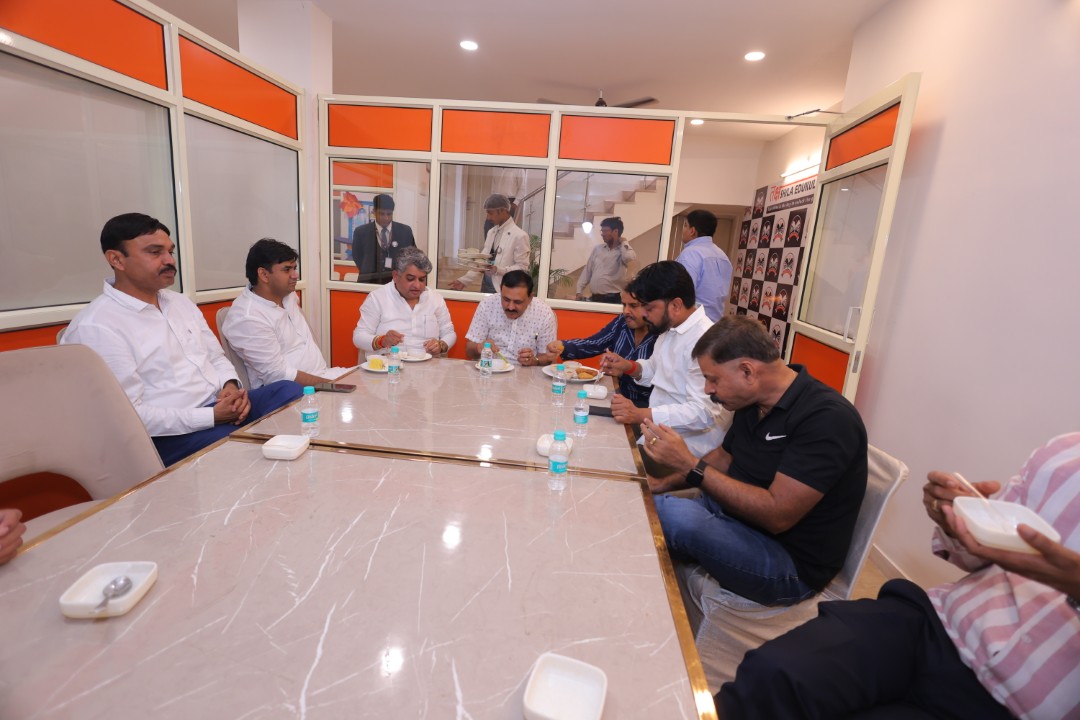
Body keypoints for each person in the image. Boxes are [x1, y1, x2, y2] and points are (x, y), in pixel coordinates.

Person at [717, 433, 1080, 720]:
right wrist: (956, 521)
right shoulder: (1062, 454)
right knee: (774, 674)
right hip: (939, 624)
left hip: (1020, 707)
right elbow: (989, 549)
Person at [640, 315, 867, 606]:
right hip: (732, 519)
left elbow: (777, 515)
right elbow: (722, 459)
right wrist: (661, 484)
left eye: (713, 379)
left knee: (670, 516)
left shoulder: (827, 419)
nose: (708, 390)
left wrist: (688, 464)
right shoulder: (753, 401)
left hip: (787, 564)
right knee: (644, 505)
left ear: (747, 371)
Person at [62, 213, 302, 467]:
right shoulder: (97, 326)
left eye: (170, 251)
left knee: (291, 392)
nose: (169, 260)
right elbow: (127, 416)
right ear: (117, 259)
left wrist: (231, 387)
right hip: (171, 436)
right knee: (241, 449)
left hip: (220, 409)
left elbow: (216, 357)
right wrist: (210, 417)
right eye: (155, 252)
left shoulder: (179, 302)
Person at [599, 261, 726, 458]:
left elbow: (703, 413)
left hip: (686, 450)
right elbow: (655, 368)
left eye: (649, 308)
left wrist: (640, 414)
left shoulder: (705, 341)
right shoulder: (670, 329)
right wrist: (628, 367)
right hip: (655, 434)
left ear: (675, 305)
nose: (644, 314)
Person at [222, 239, 348, 389]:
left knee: (369, 379)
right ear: (264, 274)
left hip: (324, 377)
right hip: (294, 393)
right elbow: (277, 375)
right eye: (287, 270)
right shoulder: (248, 317)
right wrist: (331, 386)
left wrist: (332, 383)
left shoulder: (287, 296)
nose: (295, 275)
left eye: (295, 268)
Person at [540, 288, 657, 408]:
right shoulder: (622, 322)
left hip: (649, 408)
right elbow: (594, 343)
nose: (626, 311)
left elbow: (659, 382)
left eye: (633, 305)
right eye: (624, 305)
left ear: (651, 306)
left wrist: (624, 372)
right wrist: (563, 346)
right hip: (617, 398)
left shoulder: (662, 336)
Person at [353, 247, 457, 358]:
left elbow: (449, 332)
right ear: (395, 276)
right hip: (389, 364)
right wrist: (382, 340)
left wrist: (441, 345)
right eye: (410, 279)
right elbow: (358, 336)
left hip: (428, 365)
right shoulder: (377, 298)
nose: (417, 285)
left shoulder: (435, 299)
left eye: (422, 279)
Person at [464, 270, 556, 367]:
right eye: (506, 299)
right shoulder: (487, 304)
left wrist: (534, 360)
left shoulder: (544, 313)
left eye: (517, 302)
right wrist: (479, 347)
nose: (510, 307)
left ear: (530, 298)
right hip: (489, 369)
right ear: (501, 290)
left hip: (525, 372)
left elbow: (548, 358)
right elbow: (469, 351)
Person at [451, 194, 530, 294]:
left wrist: (498, 270)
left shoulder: (520, 236)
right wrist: (464, 280)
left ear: (503, 210)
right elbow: (483, 261)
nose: (488, 218)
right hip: (486, 285)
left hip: (504, 288)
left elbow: (522, 268)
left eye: (490, 213)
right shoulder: (491, 232)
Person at [676, 209, 733, 322]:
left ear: (692, 231)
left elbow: (681, 293)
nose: (683, 230)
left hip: (693, 323)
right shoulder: (723, 256)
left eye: (685, 225)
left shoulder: (691, 253)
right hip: (715, 323)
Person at [352, 193, 416, 284]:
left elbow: (413, 256)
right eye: (382, 214)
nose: (386, 218)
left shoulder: (405, 231)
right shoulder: (361, 232)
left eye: (389, 214)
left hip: (398, 284)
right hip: (368, 283)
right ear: (374, 211)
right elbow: (357, 256)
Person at [576, 216, 636, 303]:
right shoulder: (598, 249)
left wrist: (624, 242)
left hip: (612, 299)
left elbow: (629, 257)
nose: (602, 234)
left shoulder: (623, 250)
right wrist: (579, 291)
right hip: (594, 298)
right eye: (602, 231)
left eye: (605, 231)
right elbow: (587, 271)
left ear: (615, 231)